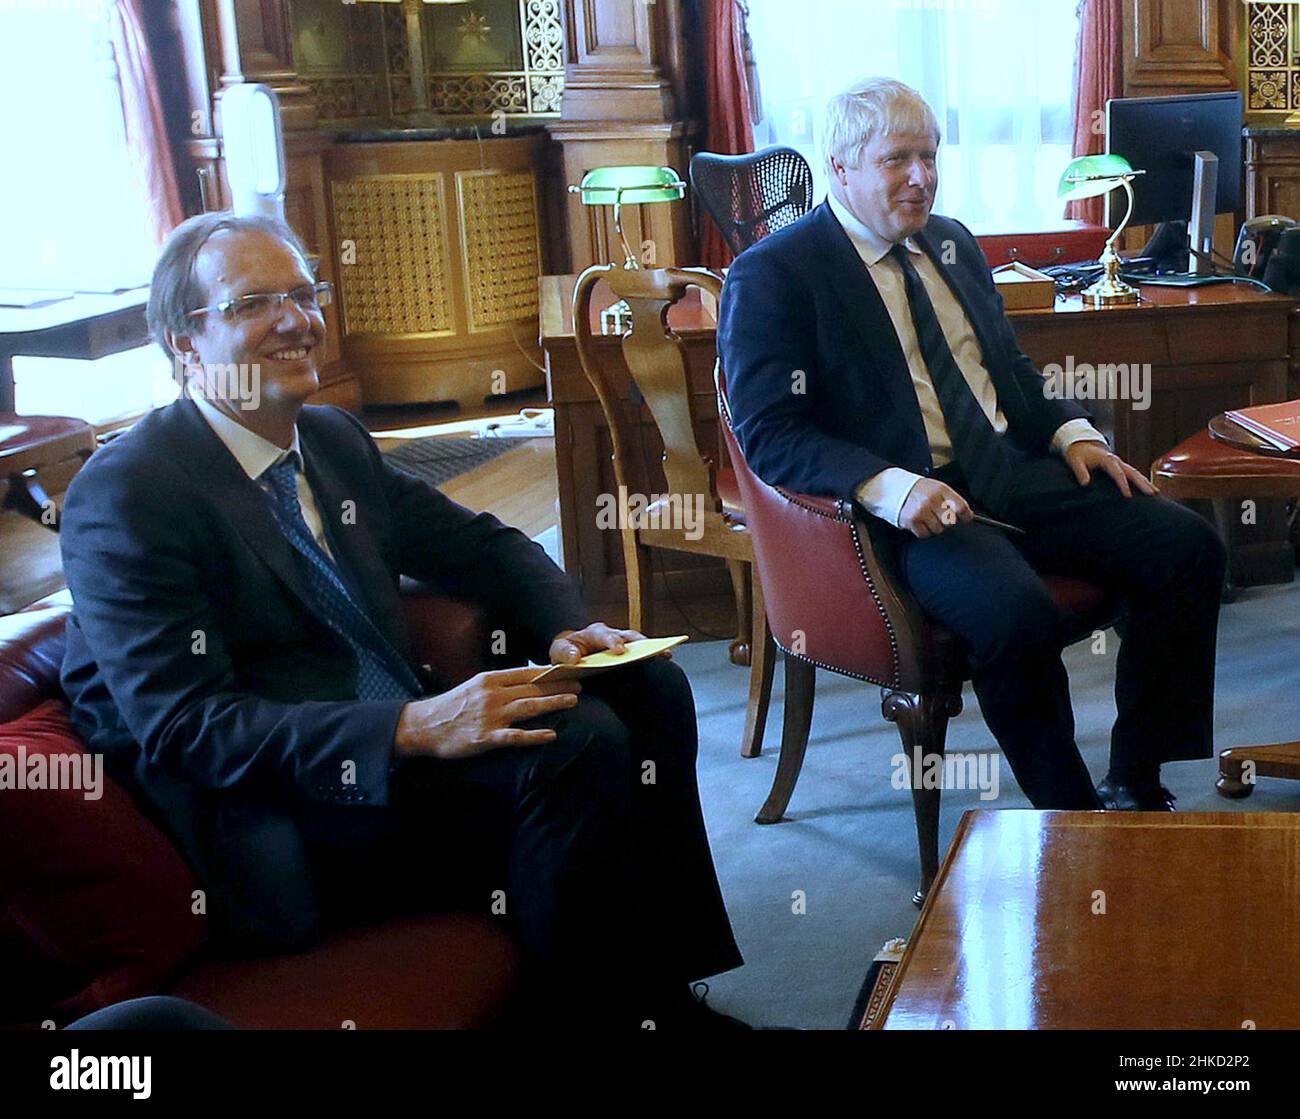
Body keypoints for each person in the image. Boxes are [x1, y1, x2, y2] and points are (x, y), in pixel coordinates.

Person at [60, 212, 744, 1029]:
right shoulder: (130, 491)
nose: (294, 320)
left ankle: (665, 997)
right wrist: (414, 726)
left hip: (397, 745)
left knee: (648, 687)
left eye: (302, 294)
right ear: (183, 343)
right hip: (281, 807)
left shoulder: (330, 439)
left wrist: (564, 632)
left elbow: (485, 544)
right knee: (574, 748)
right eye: (251, 305)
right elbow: (186, 726)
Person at [718, 77, 1226, 812]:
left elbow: (1008, 370)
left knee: (1189, 547)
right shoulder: (776, 274)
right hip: (909, 507)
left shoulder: (951, 243)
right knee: (1015, 614)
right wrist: (891, 485)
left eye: (929, 156)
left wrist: (1069, 432)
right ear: (840, 168)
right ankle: (1074, 816)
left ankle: (1136, 777)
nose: (921, 177)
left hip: (1011, 470)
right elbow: (770, 431)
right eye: (897, 160)